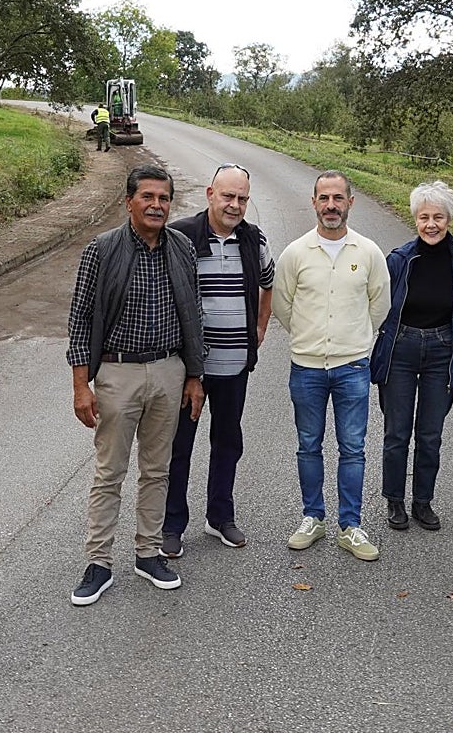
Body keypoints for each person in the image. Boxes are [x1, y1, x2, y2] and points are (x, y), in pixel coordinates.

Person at [65, 164, 205, 605]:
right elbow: (80, 319)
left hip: (168, 372)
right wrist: (81, 385)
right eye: (147, 197)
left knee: (157, 470)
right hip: (117, 374)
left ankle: (148, 553)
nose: (156, 205)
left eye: (163, 198)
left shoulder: (181, 247)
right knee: (110, 472)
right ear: (129, 202)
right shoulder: (102, 250)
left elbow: (194, 315)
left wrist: (195, 376)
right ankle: (98, 563)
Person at [272, 170, 391, 561]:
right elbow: (283, 306)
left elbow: (379, 306)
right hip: (306, 368)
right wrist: (308, 338)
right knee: (308, 446)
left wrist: (353, 342)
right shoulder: (295, 253)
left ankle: (351, 526)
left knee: (353, 448)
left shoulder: (369, 253)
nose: (331, 206)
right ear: (314, 203)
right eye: (324, 198)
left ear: (350, 203)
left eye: (338, 198)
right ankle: (313, 517)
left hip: (352, 368)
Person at [161, 163, 276, 557]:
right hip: (189, 370)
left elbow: (267, 283)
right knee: (179, 446)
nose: (235, 205)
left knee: (227, 442)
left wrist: (258, 330)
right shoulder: (180, 236)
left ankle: (219, 517)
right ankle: (172, 523)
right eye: (228, 196)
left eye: (242, 198)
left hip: (234, 367)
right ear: (210, 193)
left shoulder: (253, 240)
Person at [370, 181, 453, 531]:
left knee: (430, 434)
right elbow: (383, 305)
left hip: (441, 352)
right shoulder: (399, 260)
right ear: (415, 219)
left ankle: (423, 502)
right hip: (400, 349)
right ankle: (395, 501)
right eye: (424, 217)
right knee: (397, 432)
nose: (431, 224)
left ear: (449, 219)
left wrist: (440, 338)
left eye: (439, 217)